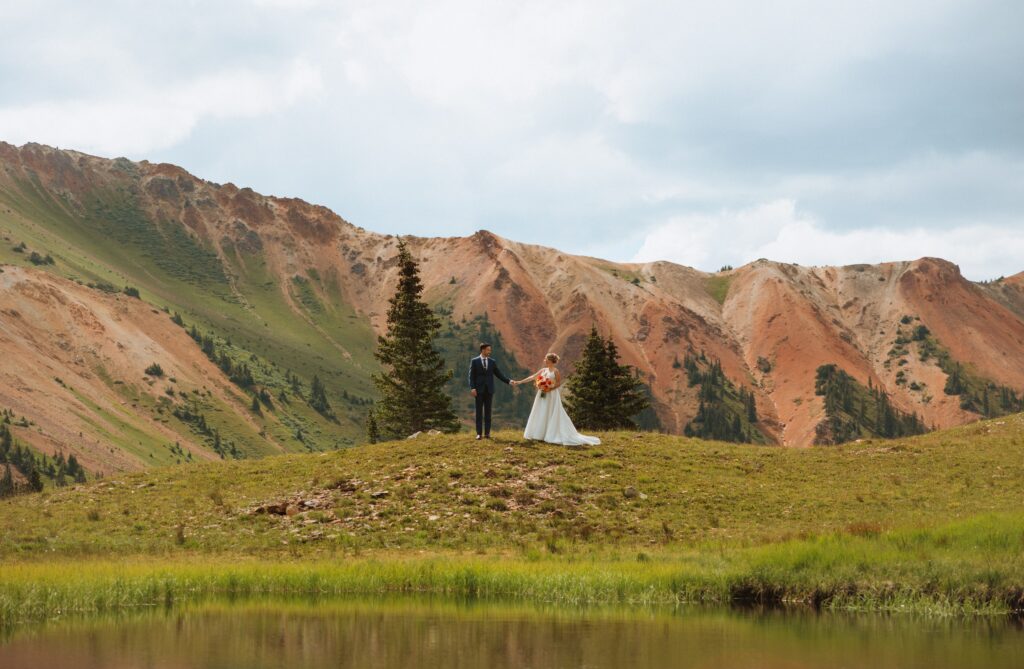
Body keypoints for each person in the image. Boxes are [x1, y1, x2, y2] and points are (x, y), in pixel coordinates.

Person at [513, 353, 601, 446]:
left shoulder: (556, 371)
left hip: (551, 394)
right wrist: (520, 382)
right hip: (542, 393)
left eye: (546, 359)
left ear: (550, 361)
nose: (544, 360)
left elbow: (558, 383)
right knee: (541, 411)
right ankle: (539, 434)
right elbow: (533, 377)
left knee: (550, 411)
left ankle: (549, 434)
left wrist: (549, 388)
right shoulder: (543, 370)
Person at [467, 343, 514, 440]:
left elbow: (499, 374)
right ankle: (479, 434)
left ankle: (487, 433)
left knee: (488, 412)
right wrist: (473, 388)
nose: (490, 351)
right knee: (479, 412)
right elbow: (471, 376)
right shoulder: (474, 361)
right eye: (488, 350)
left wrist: (509, 381)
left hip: (489, 390)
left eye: (490, 350)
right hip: (478, 390)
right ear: (483, 350)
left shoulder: (492, 362)